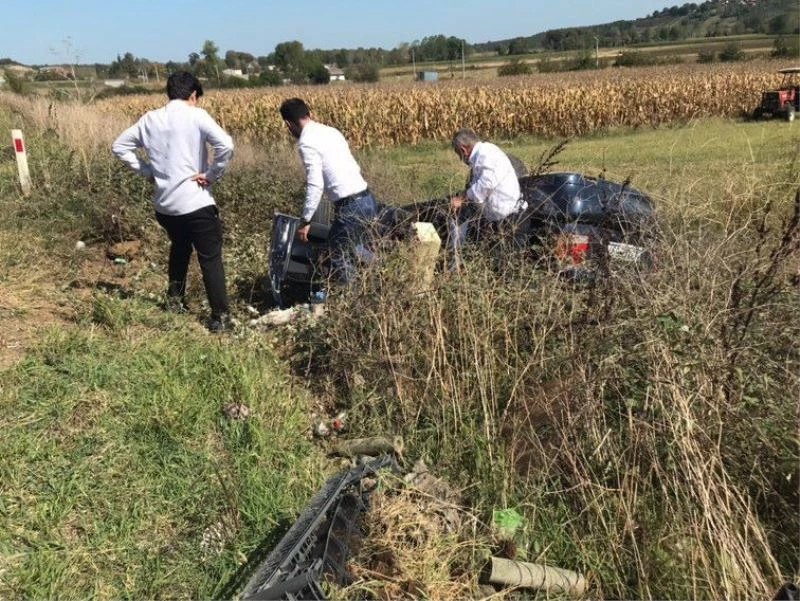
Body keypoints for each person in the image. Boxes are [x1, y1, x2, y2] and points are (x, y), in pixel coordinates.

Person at [112, 71, 235, 332]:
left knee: (179, 248)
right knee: (210, 258)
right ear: (193, 95)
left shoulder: (150, 119)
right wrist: (212, 175)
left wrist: (147, 171)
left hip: (165, 206)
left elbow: (119, 146)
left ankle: (175, 302)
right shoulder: (196, 115)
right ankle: (220, 319)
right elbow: (226, 145)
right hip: (195, 203)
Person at [279, 97, 379, 284]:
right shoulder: (331, 131)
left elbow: (315, 184)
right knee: (355, 247)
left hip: (351, 206)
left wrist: (306, 220)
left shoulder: (306, 143)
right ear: (309, 114)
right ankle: (385, 277)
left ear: (288, 124)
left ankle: (352, 297)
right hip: (368, 199)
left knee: (337, 255)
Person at [449, 128, 528, 269]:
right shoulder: (484, 154)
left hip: (512, 220)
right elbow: (478, 187)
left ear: (463, 150)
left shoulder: (486, 155)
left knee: (507, 268)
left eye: (458, 153)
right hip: (501, 220)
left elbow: (486, 183)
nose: (461, 159)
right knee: (497, 265)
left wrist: (462, 198)